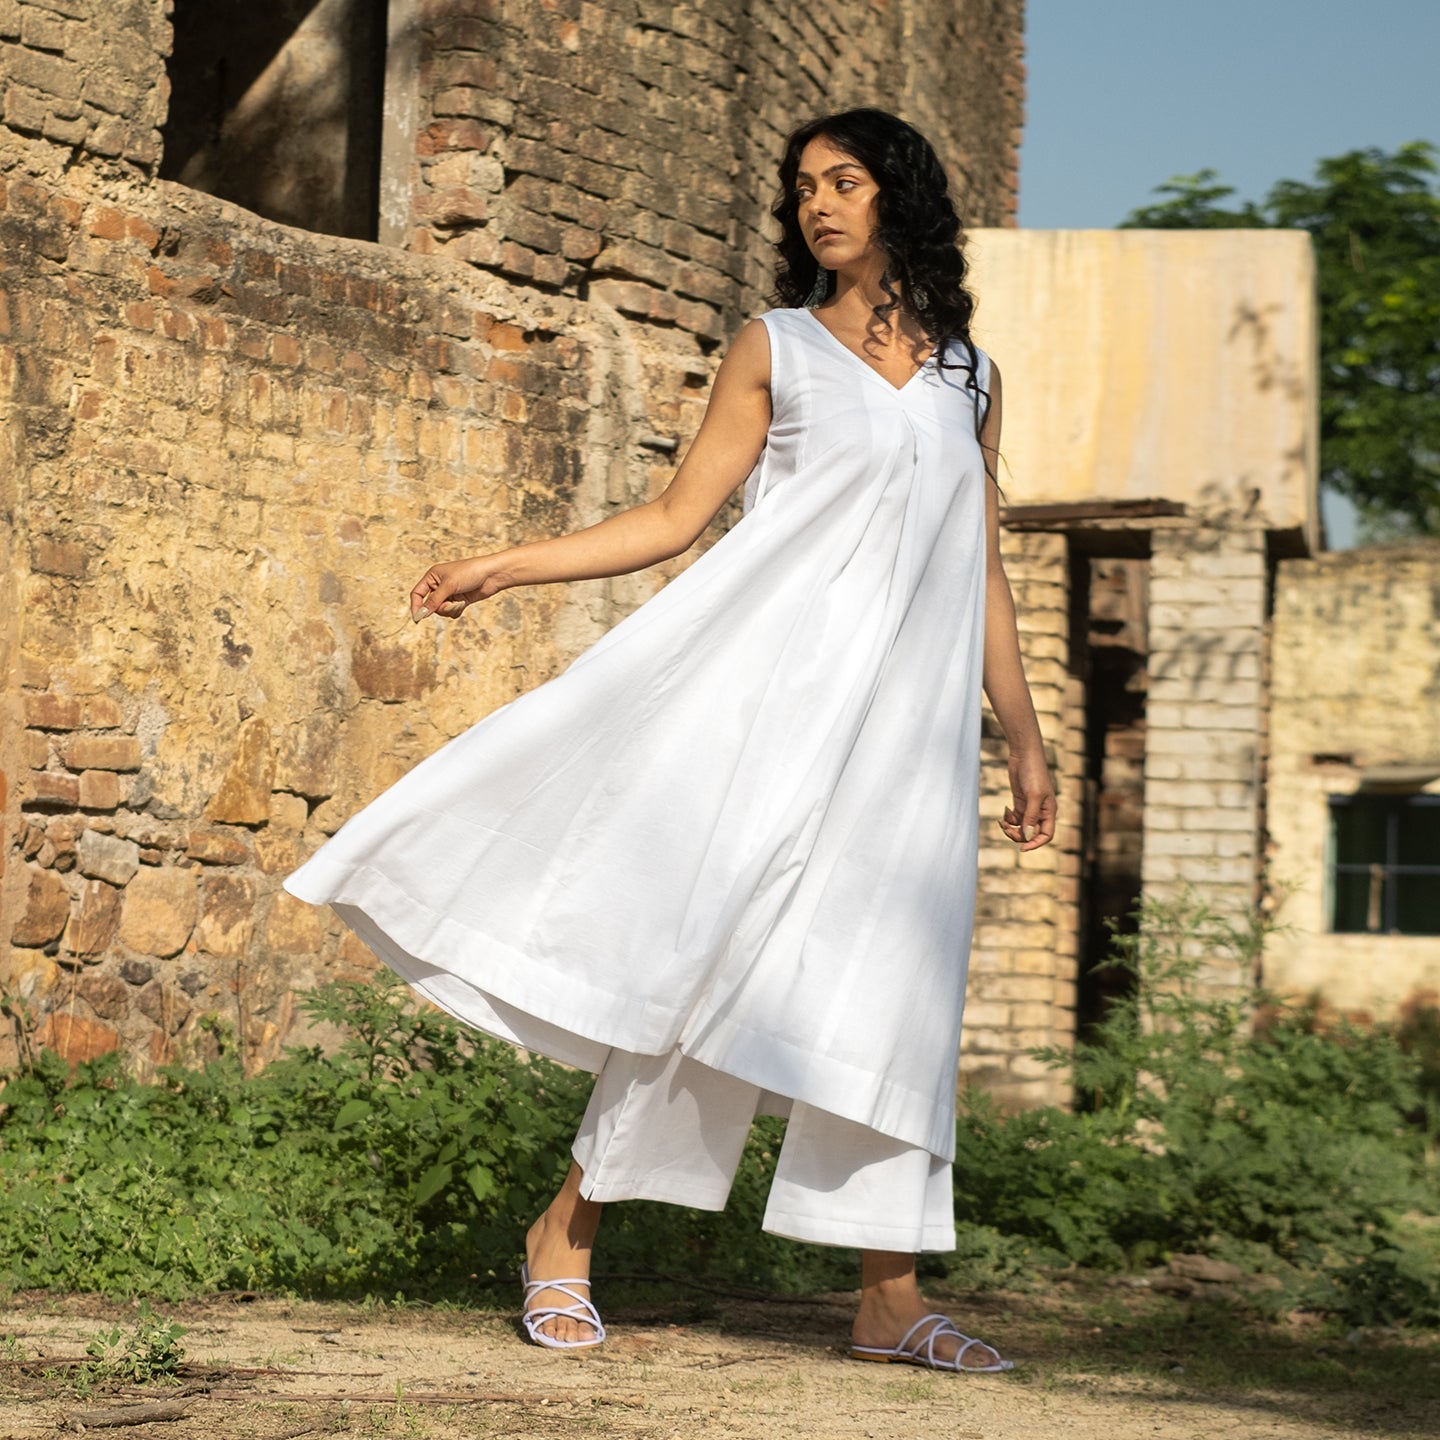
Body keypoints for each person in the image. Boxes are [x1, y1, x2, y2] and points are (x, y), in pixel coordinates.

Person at [285, 107, 1056, 1373]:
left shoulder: (971, 374)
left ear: (899, 196)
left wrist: (1021, 736)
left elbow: (980, 568)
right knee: (721, 955)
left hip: (909, 742)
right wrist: (508, 564)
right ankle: (565, 1235)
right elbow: (675, 515)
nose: (819, 206)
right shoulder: (780, 347)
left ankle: (888, 1295)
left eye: (845, 182)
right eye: (803, 187)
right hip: (778, 700)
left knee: (891, 989)